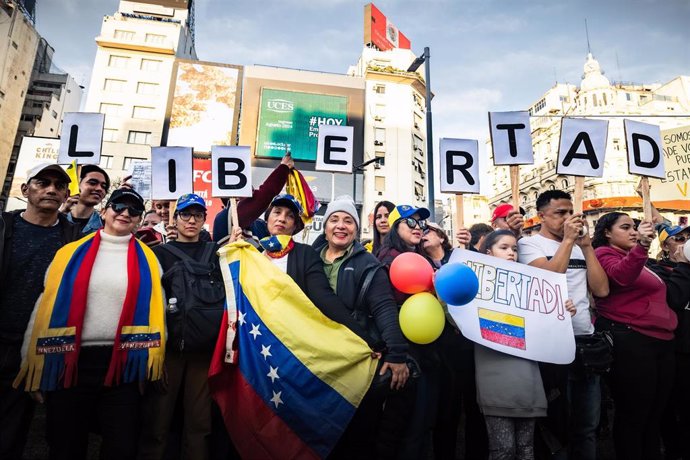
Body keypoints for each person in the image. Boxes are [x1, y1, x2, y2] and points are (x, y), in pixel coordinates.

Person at [15, 188, 165, 460]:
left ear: (139, 219)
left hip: (123, 363)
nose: (125, 214)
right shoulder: (69, 253)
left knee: (121, 447)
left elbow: (159, 311)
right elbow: (43, 306)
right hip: (69, 360)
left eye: (133, 210)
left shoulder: (150, 259)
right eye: (119, 206)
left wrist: (149, 361)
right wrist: (31, 361)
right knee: (66, 444)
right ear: (105, 210)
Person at [140, 194, 241, 460]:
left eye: (198, 215)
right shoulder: (157, 253)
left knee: (199, 425)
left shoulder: (216, 254)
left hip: (205, 353)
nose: (192, 220)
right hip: (168, 352)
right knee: (157, 422)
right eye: (186, 214)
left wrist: (237, 250)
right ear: (175, 219)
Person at [313, 195, 409, 459]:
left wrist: (397, 354)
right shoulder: (308, 258)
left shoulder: (369, 265)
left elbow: (384, 308)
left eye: (348, 221)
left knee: (356, 434)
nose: (341, 225)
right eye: (334, 219)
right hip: (314, 358)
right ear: (325, 226)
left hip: (355, 362)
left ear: (356, 229)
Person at [517, 190, 608, 460]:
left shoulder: (581, 246)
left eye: (571, 213)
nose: (568, 218)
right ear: (541, 216)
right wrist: (568, 240)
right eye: (560, 213)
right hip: (553, 345)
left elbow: (601, 290)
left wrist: (587, 246)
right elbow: (550, 281)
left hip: (585, 341)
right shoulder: (529, 245)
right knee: (558, 424)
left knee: (587, 425)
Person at [0, 163, 80, 459]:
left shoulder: (73, 240)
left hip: (31, 350)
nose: (51, 189)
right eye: (42, 182)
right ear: (25, 189)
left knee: (12, 431)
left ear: (65, 195)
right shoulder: (4, 225)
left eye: (59, 186)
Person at [591, 213, 677, 460]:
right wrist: (641, 247)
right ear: (607, 233)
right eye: (625, 227)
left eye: (635, 227)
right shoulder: (603, 255)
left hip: (661, 341)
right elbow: (621, 276)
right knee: (634, 415)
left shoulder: (642, 260)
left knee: (654, 414)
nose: (633, 232)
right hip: (632, 340)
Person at [260, 194, 374, 344]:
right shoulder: (253, 254)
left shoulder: (306, 254)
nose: (282, 218)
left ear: (295, 226)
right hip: (257, 337)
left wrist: (365, 339)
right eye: (277, 212)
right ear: (267, 218)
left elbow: (325, 300)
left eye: (290, 216)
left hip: (290, 341)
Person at [422, 221, 488, 460]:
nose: (422, 234)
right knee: (446, 410)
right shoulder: (420, 264)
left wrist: (468, 246)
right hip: (442, 348)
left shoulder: (461, 257)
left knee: (475, 406)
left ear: (441, 236)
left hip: (471, 345)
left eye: (427, 230)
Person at [377, 204, 439, 460]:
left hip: (424, 349)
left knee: (420, 423)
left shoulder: (419, 258)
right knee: (407, 426)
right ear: (395, 227)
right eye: (410, 223)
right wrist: (396, 354)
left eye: (421, 224)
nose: (418, 228)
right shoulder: (390, 259)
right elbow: (385, 308)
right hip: (404, 354)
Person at [649, 224, 690, 460]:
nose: (685, 242)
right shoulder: (658, 270)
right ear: (665, 246)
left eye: (689, 238)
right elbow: (673, 299)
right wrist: (683, 265)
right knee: (677, 407)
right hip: (677, 351)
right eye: (679, 239)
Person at [213, 152, 294, 243]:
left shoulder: (260, 224)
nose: (251, 196)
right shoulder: (225, 217)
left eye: (252, 192)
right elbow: (263, 196)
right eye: (245, 193)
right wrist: (283, 168)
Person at [60, 164, 110, 235]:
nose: (99, 189)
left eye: (103, 186)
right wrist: (61, 215)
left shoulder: (106, 227)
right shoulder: (53, 220)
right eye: (92, 183)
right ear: (77, 184)